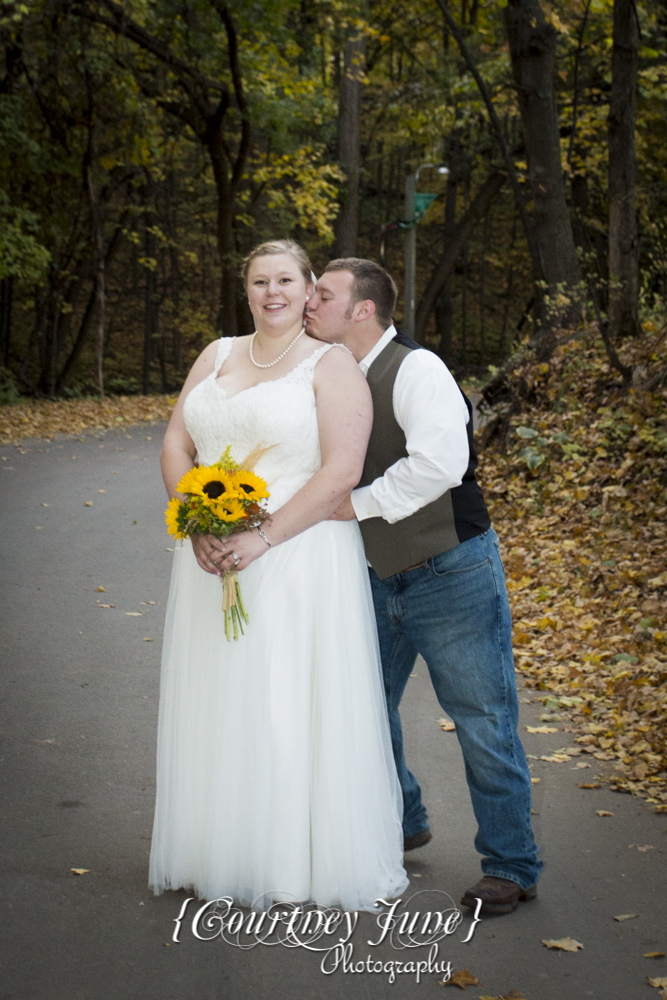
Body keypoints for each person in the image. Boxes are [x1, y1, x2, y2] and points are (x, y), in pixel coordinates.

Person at [148, 240, 408, 912]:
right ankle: (218, 847)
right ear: (246, 289)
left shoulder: (332, 364)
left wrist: (261, 537)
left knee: (282, 700)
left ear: (308, 286)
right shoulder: (216, 354)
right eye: (259, 280)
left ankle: (289, 859)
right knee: (219, 697)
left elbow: (341, 473)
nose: (272, 293)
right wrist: (197, 519)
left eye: (285, 280)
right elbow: (178, 442)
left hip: (296, 556)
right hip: (210, 553)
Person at [305, 258, 542, 916]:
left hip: (450, 570)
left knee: (482, 723)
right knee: (360, 710)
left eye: (322, 293)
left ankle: (510, 864)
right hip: (370, 577)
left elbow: (442, 462)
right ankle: (404, 817)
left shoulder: (416, 368)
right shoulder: (326, 373)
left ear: (361, 309)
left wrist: (360, 504)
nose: (306, 302)